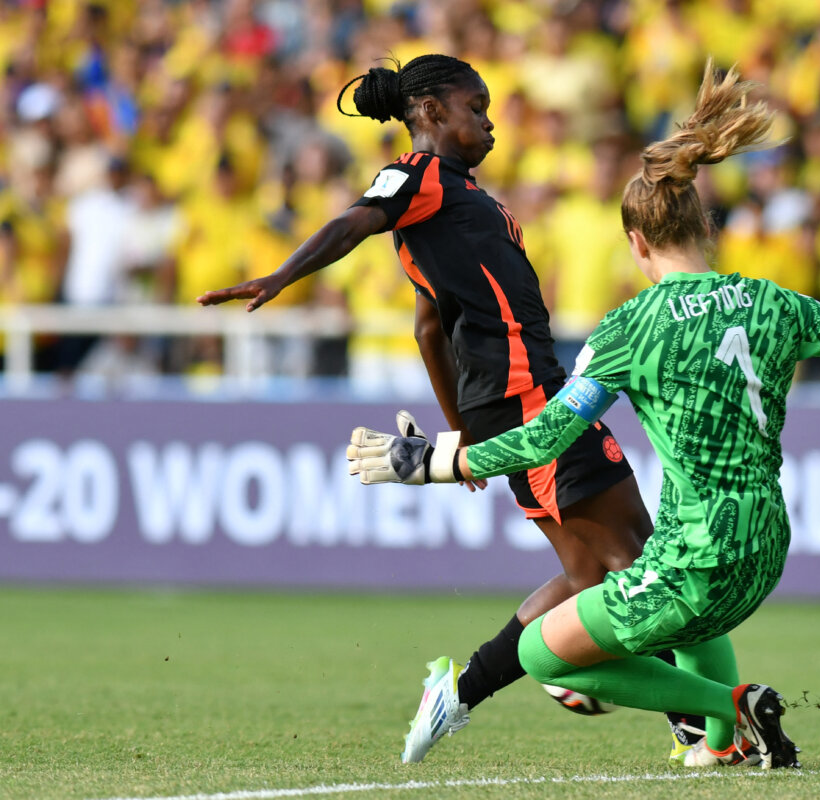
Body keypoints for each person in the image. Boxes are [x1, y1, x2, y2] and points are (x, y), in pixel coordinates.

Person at [346, 62, 820, 768]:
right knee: (683, 608)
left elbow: (545, 436)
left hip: (693, 560)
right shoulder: (775, 302)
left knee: (544, 653)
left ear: (637, 243)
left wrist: (440, 460)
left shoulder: (629, 329)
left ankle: (732, 709)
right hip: (764, 552)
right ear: (706, 227)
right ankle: (717, 742)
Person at [196, 54, 703, 764]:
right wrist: (286, 274)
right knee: (637, 567)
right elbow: (354, 221)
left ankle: (461, 691)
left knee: (594, 577)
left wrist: (461, 436)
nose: (488, 120)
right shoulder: (418, 178)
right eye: (476, 106)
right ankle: (694, 720)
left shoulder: (457, 202)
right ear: (431, 112)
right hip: (533, 402)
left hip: (521, 404)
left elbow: (429, 329)